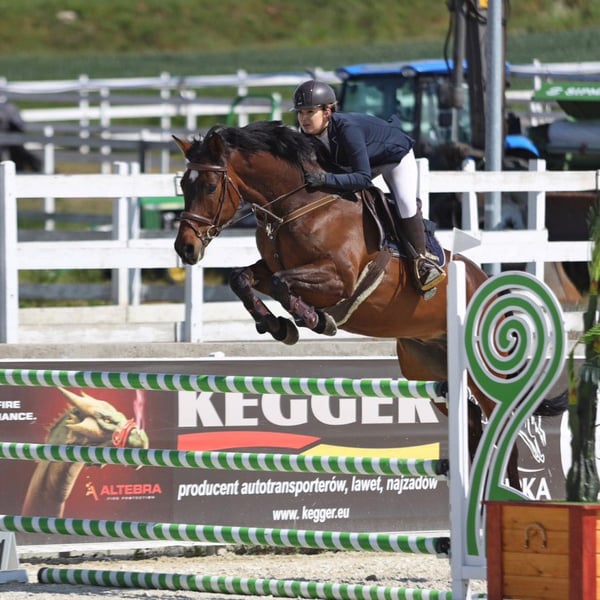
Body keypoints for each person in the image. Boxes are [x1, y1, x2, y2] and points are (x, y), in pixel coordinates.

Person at [291, 79, 445, 298]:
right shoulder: (307, 134)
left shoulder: (347, 129)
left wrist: (325, 179)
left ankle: (423, 262)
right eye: (300, 113)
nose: (304, 118)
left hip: (394, 158)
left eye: (309, 112)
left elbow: (363, 178)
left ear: (327, 112)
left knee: (405, 203)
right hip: (365, 161)